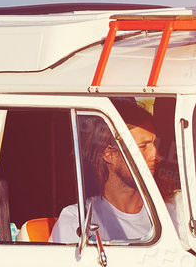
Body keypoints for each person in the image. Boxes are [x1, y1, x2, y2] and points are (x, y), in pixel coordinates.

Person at [53, 101, 163, 245]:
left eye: (154, 144)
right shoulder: (78, 220)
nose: (157, 156)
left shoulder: (174, 210)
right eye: (143, 147)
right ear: (109, 154)